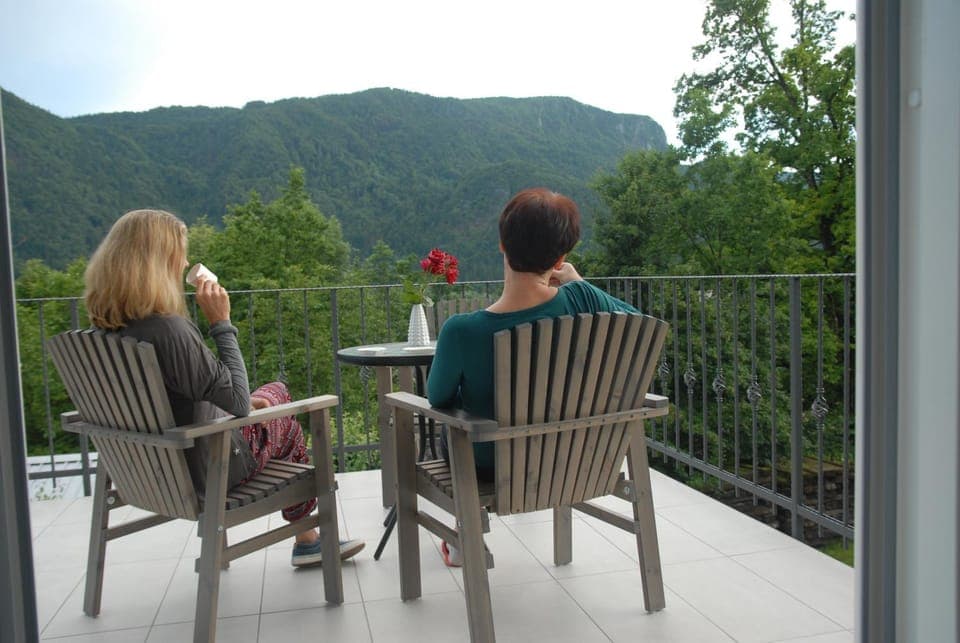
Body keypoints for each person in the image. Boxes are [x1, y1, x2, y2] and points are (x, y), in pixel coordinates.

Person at [83, 209, 364, 567]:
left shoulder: (105, 335)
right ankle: (308, 539)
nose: (185, 262)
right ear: (158, 262)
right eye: (179, 253)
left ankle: (308, 539)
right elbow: (237, 404)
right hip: (209, 468)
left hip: (144, 472)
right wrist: (221, 322)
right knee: (287, 418)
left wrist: (247, 402)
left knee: (270, 393)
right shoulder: (169, 332)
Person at [426, 188, 638, 566]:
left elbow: (438, 398)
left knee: (451, 432)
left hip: (492, 466)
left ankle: (463, 536)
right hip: (578, 458)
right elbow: (637, 326)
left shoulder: (461, 330)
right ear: (560, 258)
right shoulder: (581, 301)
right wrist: (578, 281)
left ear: (502, 246)